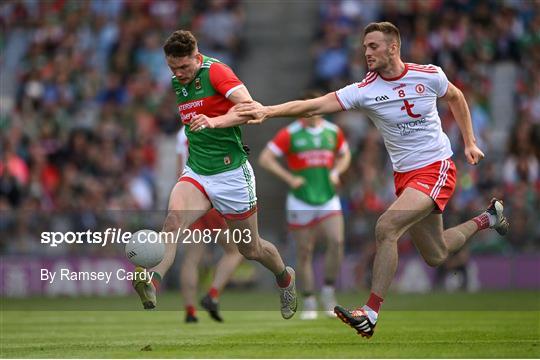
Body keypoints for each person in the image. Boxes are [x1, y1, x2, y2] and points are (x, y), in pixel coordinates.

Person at [191, 21, 509, 338]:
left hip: (436, 166)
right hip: (405, 175)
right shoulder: (366, 90)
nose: (366, 52)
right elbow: (314, 105)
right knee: (436, 254)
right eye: (365, 46)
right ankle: (488, 217)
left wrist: (469, 141)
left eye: (373, 46)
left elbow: (456, 97)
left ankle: (369, 313)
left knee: (386, 226)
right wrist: (268, 111)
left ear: (393, 47)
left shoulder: (429, 75)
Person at [132, 30, 297, 320]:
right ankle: (151, 282)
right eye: (173, 68)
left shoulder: (217, 72)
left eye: (184, 67)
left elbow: (251, 109)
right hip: (197, 171)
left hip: (231, 173)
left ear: (197, 57)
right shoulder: (178, 81)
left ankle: (285, 278)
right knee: (172, 223)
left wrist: (214, 121)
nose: (179, 74)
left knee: (250, 248)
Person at [258, 90, 351, 319]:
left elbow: (345, 154)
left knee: (337, 242)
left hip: (327, 197)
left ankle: (328, 293)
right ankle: (309, 300)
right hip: (301, 200)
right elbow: (265, 159)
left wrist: (337, 172)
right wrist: (290, 178)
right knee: (304, 251)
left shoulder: (332, 132)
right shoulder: (291, 133)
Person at [176, 126, 243, 323]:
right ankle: (212, 294)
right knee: (236, 250)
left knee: (191, 258)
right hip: (212, 195)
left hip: (189, 195)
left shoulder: (181, 134)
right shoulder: (211, 123)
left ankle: (190, 310)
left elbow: (177, 167)